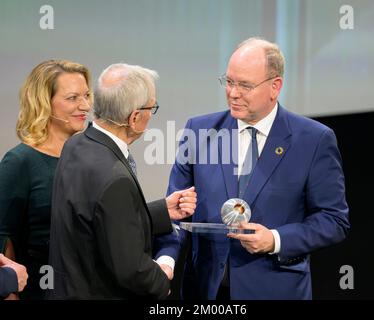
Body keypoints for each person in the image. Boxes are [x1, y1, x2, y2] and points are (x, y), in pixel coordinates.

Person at [155, 37, 350, 300]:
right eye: (230, 81)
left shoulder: (313, 140)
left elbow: (333, 220)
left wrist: (275, 240)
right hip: (205, 291)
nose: (233, 93)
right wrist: (166, 260)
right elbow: (176, 212)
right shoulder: (199, 131)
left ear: (275, 87)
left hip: (275, 290)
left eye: (245, 85)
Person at [48, 63, 197, 300]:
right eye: (152, 107)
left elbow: (98, 220)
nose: (151, 114)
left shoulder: (77, 145)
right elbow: (130, 268)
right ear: (135, 117)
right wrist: (163, 282)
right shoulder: (115, 177)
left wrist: (161, 211)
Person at [0, 60, 92, 299]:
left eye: (87, 95)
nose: (85, 106)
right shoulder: (20, 162)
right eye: (72, 98)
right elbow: (2, 235)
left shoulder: (90, 159)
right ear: (44, 103)